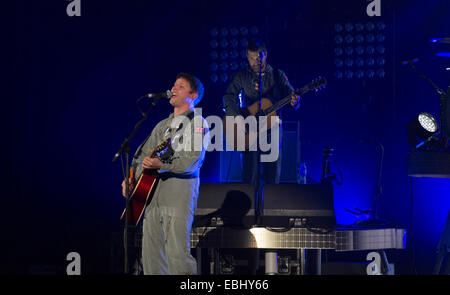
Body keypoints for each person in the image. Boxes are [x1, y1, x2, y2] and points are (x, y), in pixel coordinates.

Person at [122, 72, 208, 275]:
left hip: (177, 199)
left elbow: (193, 160)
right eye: (174, 85)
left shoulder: (197, 123)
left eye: (180, 86)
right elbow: (140, 156)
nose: (174, 88)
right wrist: (131, 179)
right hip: (151, 201)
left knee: (178, 258)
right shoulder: (162, 125)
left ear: (193, 95)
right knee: (151, 260)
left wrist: (161, 163)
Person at [223, 39, 301, 186]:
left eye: (258, 57)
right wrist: (237, 117)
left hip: (273, 129)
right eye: (251, 58)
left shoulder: (278, 75)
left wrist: (294, 102)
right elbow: (228, 96)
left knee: (272, 176)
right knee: (250, 175)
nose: (255, 61)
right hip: (248, 129)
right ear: (247, 56)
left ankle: (271, 208)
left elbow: (291, 97)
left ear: (265, 55)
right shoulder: (242, 75)